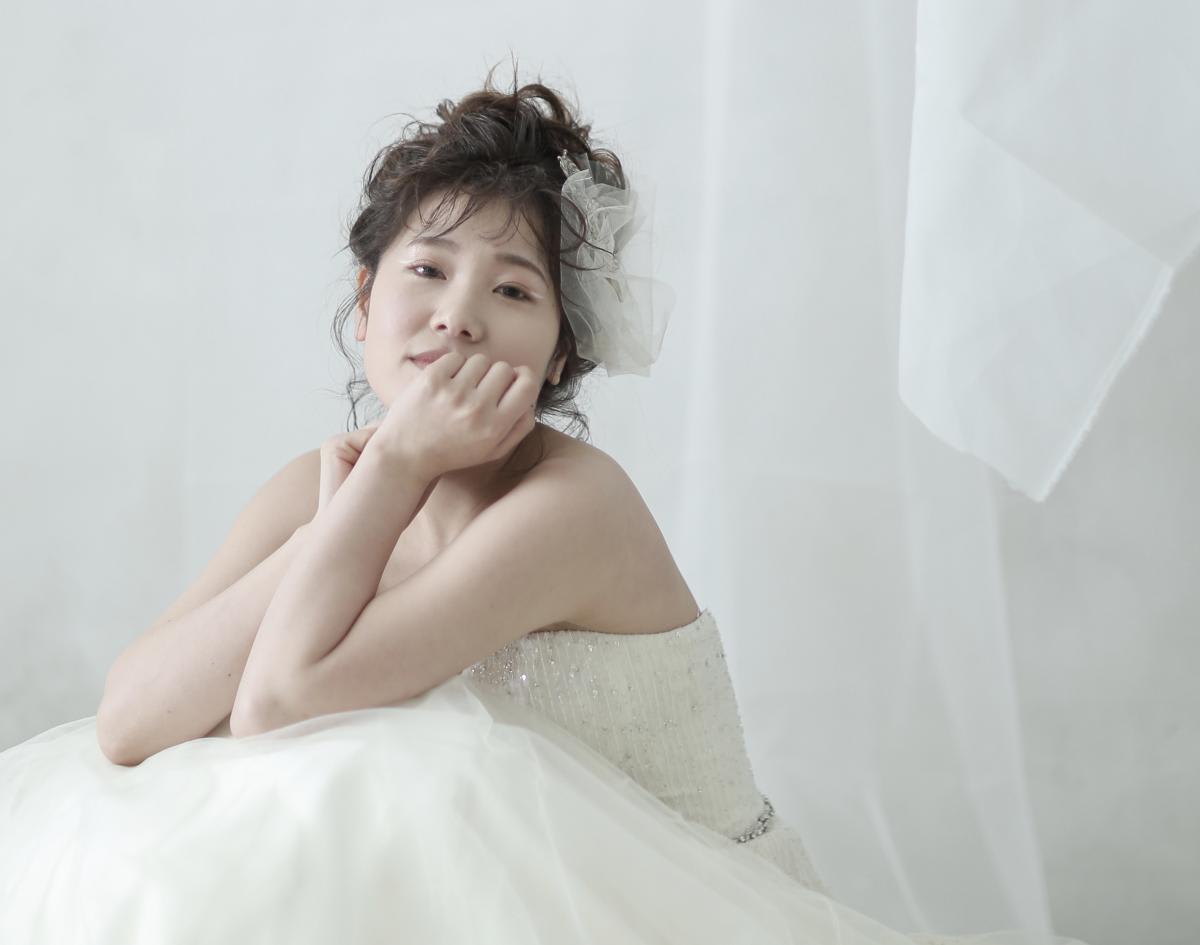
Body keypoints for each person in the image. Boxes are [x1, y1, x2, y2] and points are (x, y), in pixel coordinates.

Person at [0, 65, 1091, 945]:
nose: (459, 316)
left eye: (514, 289)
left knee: (383, 774)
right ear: (366, 299)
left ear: (561, 349)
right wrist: (347, 514)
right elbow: (131, 722)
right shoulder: (317, 481)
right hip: (479, 892)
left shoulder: (572, 506)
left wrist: (387, 479)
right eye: (428, 270)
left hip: (665, 910)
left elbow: (282, 703)